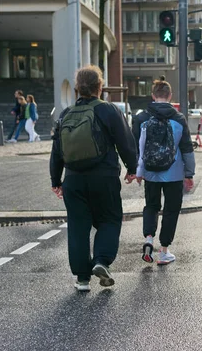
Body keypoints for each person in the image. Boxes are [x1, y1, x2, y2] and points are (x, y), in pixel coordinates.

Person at [50, 65, 137, 292]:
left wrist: (55, 180)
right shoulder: (108, 110)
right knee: (109, 219)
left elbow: (57, 150)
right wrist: (132, 167)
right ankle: (101, 261)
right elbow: (125, 142)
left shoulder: (65, 114)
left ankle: (82, 279)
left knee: (78, 226)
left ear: (78, 88)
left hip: (73, 179)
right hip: (104, 176)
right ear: (100, 87)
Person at [132, 78, 196, 265]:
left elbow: (136, 147)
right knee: (171, 209)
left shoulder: (142, 118)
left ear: (153, 95)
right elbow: (186, 148)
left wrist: (137, 170)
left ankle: (149, 239)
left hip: (150, 171)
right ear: (169, 96)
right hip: (174, 173)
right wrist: (189, 173)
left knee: (151, 206)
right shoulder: (178, 118)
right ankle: (164, 251)